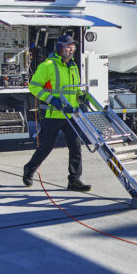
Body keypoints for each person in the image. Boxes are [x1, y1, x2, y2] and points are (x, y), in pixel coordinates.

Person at [22, 34, 92, 191]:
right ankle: (29, 169)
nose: (72, 49)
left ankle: (74, 180)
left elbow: (74, 89)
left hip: (71, 115)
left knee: (76, 148)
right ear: (60, 49)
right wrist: (51, 99)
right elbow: (34, 87)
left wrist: (81, 97)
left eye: (73, 46)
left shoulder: (73, 66)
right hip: (52, 115)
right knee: (46, 147)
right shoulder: (47, 65)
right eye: (68, 47)